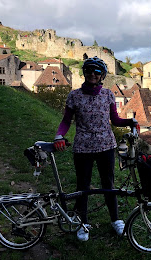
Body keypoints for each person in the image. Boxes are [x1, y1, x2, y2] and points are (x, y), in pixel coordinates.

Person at [53, 56, 138, 241]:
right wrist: (59, 136)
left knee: (108, 184)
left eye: (97, 71)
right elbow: (67, 121)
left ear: (103, 75)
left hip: (106, 145)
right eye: (89, 71)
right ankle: (82, 223)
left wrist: (130, 122)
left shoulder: (108, 94)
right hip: (83, 147)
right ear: (84, 73)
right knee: (82, 186)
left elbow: (115, 120)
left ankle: (115, 219)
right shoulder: (74, 95)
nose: (93, 74)